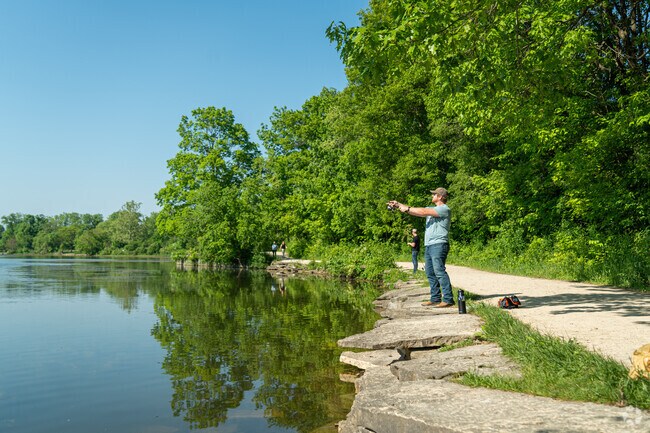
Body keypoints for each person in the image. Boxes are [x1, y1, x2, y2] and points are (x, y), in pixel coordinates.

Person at [388, 187, 453, 308]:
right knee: (429, 272)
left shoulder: (444, 209)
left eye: (434, 194)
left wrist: (406, 209)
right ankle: (435, 298)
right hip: (429, 245)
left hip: (439, 244)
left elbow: (422, 212)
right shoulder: (431, 209)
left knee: (439, 271)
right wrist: (398, 205)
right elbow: (416, 211)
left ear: (440, 196)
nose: (432, 196)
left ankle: (448, 299)